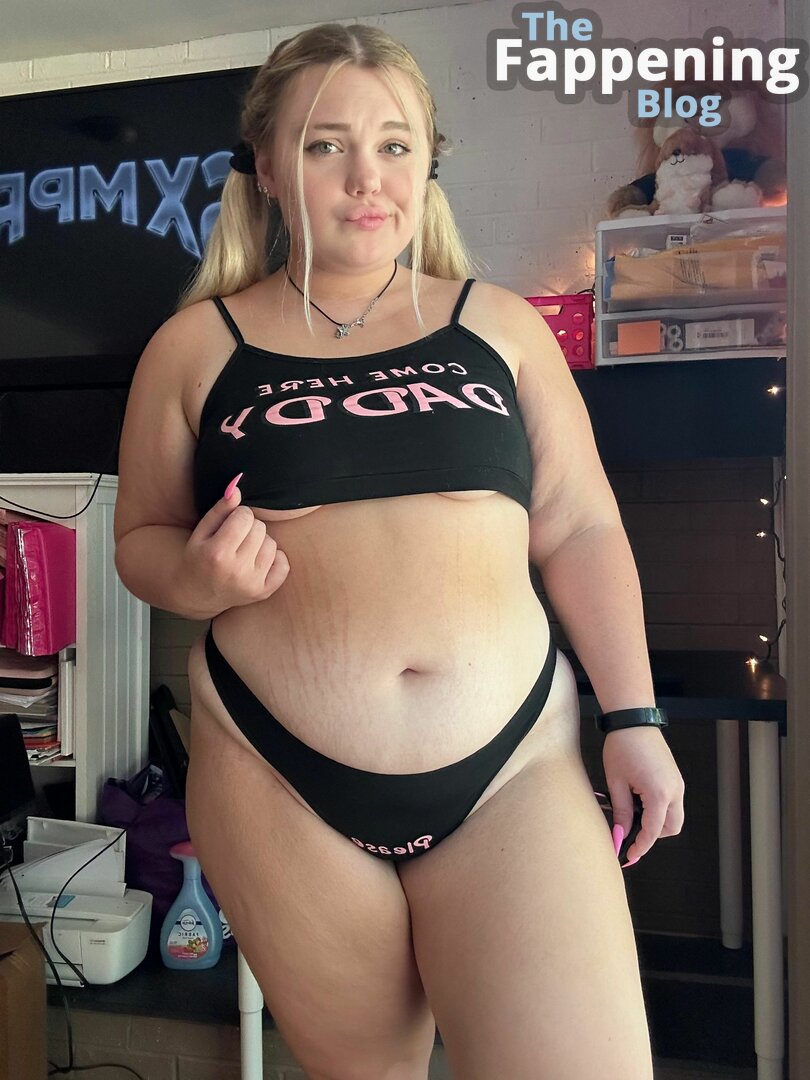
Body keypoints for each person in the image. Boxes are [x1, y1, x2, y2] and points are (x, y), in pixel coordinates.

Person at [113, 21, 685, 1080]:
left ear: (428, 165)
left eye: (395, 144)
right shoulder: (195, 346)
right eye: (325, 146)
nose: (365, 177)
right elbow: (141, 541)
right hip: (279, 780)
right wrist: (195, 573)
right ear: (267, 169)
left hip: (515, 768)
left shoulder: (501, 325)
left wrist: (635, 718)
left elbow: (582, 525)